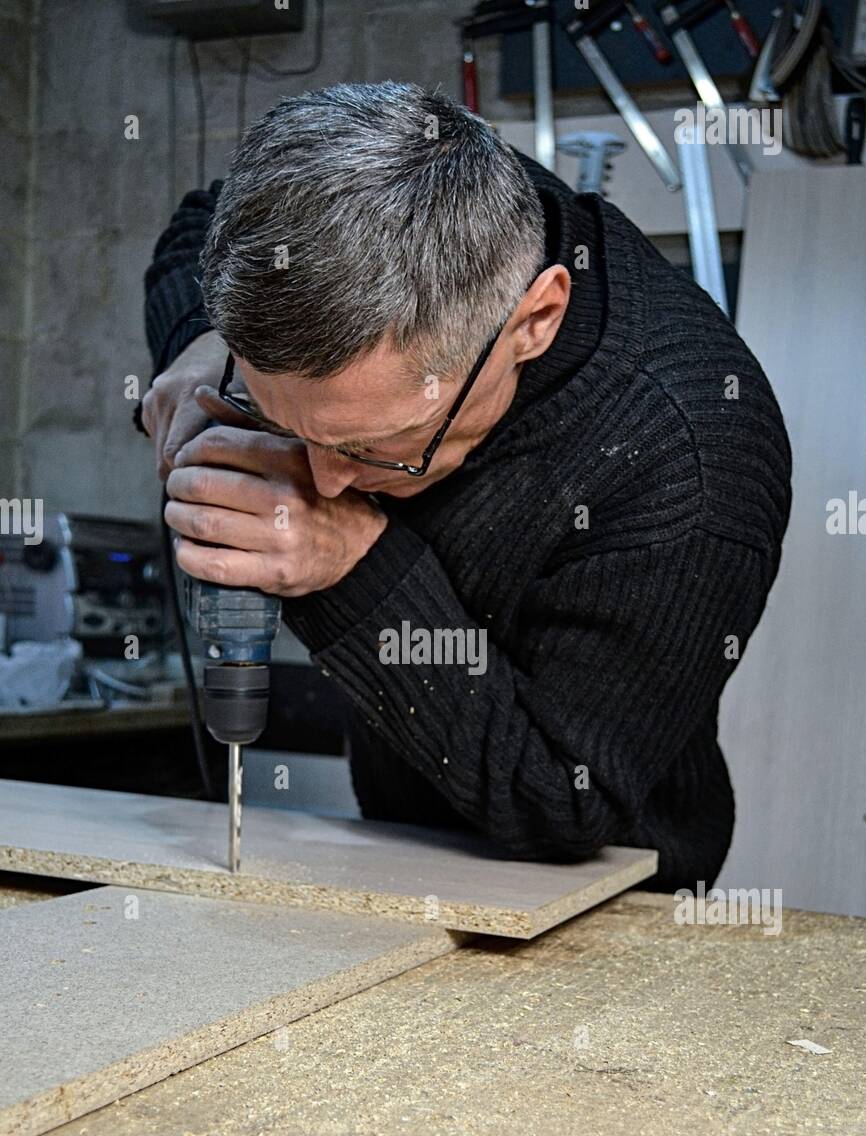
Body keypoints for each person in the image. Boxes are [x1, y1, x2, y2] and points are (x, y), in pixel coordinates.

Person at [140, 81, 791, 891]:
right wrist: (203, 344)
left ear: (534, 321)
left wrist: (353, 567)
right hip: (401, 848)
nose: (323, 481)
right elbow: (205, 219)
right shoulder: (412, 198)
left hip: (612, 904)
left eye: (377, 447)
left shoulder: (691, 456)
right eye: (290, 428)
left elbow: (564, 800)